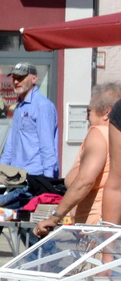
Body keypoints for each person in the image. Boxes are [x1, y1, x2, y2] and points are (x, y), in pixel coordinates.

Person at [38, 84, 121, 236]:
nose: (86, 117)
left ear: (107, 113)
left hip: (97, 225)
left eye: (89, 111)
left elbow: (85, 181)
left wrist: (55, 217)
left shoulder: (99, 134)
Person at [0, 62, 60, 178]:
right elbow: (11, 144)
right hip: (16, 174)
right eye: (14, 78)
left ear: (34, 79)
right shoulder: (19, 107)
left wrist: (47, 180)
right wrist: (1, 170)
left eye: (21, 78)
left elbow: (47, 146)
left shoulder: (42, 106)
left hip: (36, 174)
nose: (16, 82)